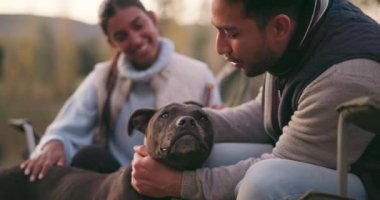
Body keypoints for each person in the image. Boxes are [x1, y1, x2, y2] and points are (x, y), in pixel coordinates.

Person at [131, 0, 380, 199]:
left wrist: (178, 185)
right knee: (213, 154)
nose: (220, 47)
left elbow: (286, 161)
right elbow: (262, 114)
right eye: (218, 30)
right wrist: (176, 127)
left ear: (279, 27)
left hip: (366, 181)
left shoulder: (344, 74)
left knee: (264, 182)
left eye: (231, 32)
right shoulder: (297, 30)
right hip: (323, 161)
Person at [20, 0, 221, 182]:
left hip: (178, 179)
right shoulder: (102, 78)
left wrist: (221, 117)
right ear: (111, 42)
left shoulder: (198, 74)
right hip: (116, 179)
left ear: (152, 20)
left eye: (138, 25)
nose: (134, 39)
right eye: (121, 36)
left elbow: (217, 129)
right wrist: (55, 143)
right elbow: (67, 127)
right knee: (88, 157)